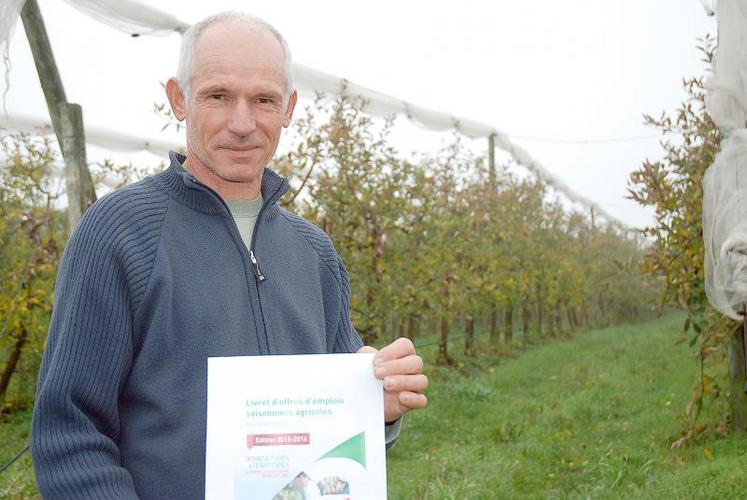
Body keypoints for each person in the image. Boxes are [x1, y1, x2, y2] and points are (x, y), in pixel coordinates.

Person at [31, 11, 428, 499]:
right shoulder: (119, 233)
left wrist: (376, 404)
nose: (243, 123)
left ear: (289, 108)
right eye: (218, 96)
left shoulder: (314, 253)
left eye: (264, 100)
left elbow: (333, 427)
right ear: (179, 99)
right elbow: (70, 431)